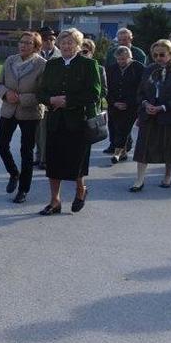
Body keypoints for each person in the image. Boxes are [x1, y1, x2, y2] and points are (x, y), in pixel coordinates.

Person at [36, 28, 101, 215]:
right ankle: (55, 200)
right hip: (55, 121)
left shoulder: (88, 64)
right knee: (53, 161)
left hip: (78, 122)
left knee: (76, 161)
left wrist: (68, 101)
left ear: (78, 45)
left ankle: (80, 190)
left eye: (70, 42)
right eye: (63, 42)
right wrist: (51, 100)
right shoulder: (52, 64)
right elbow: (41, 92)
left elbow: (94, 93)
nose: (66, 46)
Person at [129, 40, 171, 191]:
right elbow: (140, 93)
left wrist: (162, 107)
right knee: (143, 147)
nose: (158, 58)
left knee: (169, 148)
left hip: (170, 115)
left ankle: (168, 175)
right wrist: (146, 104)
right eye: (155, 55)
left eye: (162, 55)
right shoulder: (149, 69)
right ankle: (139, 180)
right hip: (149, 114)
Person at [0, 31, 46, 204]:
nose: (23, 45)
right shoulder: (10, 60)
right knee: (1, 144)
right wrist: (5, 93)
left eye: (28, 43)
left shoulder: (42, 64)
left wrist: (22, 98)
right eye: (21, 42)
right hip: (8, 110)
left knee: (26, 152)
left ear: (36, 46)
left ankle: (23, 189)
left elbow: (43, 93)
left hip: (30, 113)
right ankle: (13, 173)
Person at [104, 46, 145, 164]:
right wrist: (113, 102)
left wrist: (129, 103)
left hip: (131, 105)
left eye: (123, 59)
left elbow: (142, 88)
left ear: (129, 57)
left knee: (124, 128)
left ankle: (117, 153)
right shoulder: (112, 69)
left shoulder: (139, 68)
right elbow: (107, 88)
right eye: (118, 59)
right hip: (114, 104)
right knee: (115, 128)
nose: (120, 62)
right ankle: (124, 151)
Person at [33, 26, 60, 168]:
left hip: (53, 99)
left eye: (52, 39)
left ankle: (45, 159)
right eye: (45, 39)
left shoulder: (60, 55)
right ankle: (39, 156)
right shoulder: (34, 55)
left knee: (47, 131)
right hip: (37, 97)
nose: (49, 41)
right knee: (37, 132)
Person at [81, 38, 107, 103]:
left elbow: (103, 91)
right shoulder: (73, 67)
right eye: (79, 52)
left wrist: (89, 99)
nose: (81, 54)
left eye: (85, 52)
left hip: (93, 104)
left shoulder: (100, 69)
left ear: (91, 53)